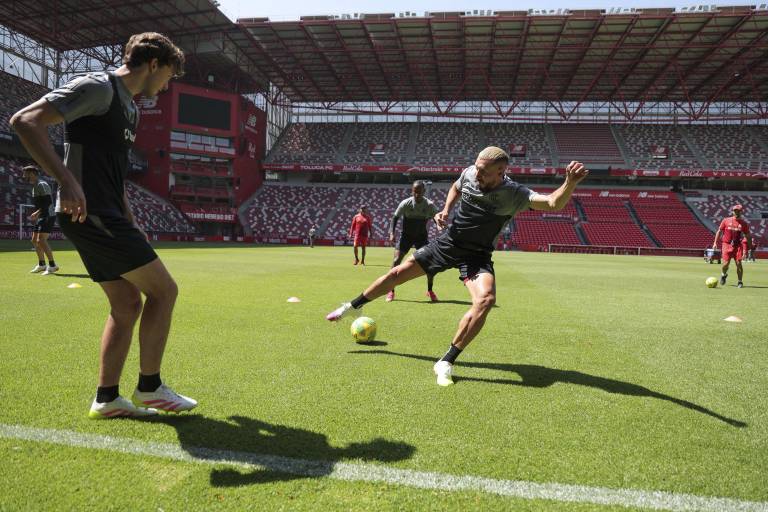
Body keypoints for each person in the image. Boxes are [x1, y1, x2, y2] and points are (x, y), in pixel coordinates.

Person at [11, 32, 197, 418]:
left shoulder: (130, 108)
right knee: (164, 292)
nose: (165, 87)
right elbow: (25, 121)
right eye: (168, 77)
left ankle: (107, 398)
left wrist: (130, 216)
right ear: (153, 65)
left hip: (108, 212)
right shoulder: (99, 87)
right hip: (91, 212)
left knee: (128, 303)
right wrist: (66, 181)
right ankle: (150, 388)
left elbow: (112, 170)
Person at [326, 147, 589, 386]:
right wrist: (446, 209)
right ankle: (352, 307)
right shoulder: (470, 174)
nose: (477, 174)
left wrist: (569, 183)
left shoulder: (514, 194)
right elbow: (456, 186)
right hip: (449, 243)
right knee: (397, 273)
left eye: (483, 172)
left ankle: (446, 361)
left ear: (501, 172)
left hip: (477, 255)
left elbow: (554, 202)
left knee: (485, 300)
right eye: (476, 168)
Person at [386, 180, 439, 302]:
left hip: (421, 238)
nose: (417, 195)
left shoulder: (429, 205)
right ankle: (391, 290)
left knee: (430, 265)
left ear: (424, 192)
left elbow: (436, 217)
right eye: (415, 192)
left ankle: (430, 290)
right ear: (412, 191)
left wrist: (438, 225)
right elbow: (395, 218)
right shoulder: (406, 203)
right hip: (406, 237)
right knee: (396, 261)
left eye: (419, 192)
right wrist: (391, 233)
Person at [23, 165, 58, 275]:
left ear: (32, 173)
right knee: (34, 240)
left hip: (48, 215)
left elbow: (48, 202)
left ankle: (52, 265)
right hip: (42, 215)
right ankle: (42, 264)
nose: (24, 176)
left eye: (26, 173)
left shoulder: (42, 185)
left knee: (41, 240)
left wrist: (37, 213)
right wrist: (38, 213)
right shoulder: (34, 186)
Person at [712, 204, 752, 288]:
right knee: (725, 264)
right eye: (735, 210)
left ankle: (740, 282)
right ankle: (723, 274)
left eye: (738, 211)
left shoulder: (744, 223)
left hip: (737, 246)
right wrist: (715, 242)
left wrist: (749, 247)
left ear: (741, 212)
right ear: (732, 211)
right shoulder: (726, 220)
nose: (736, 212)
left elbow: (748, 236)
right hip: (726, 244)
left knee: (739, 263)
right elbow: (719, 231)